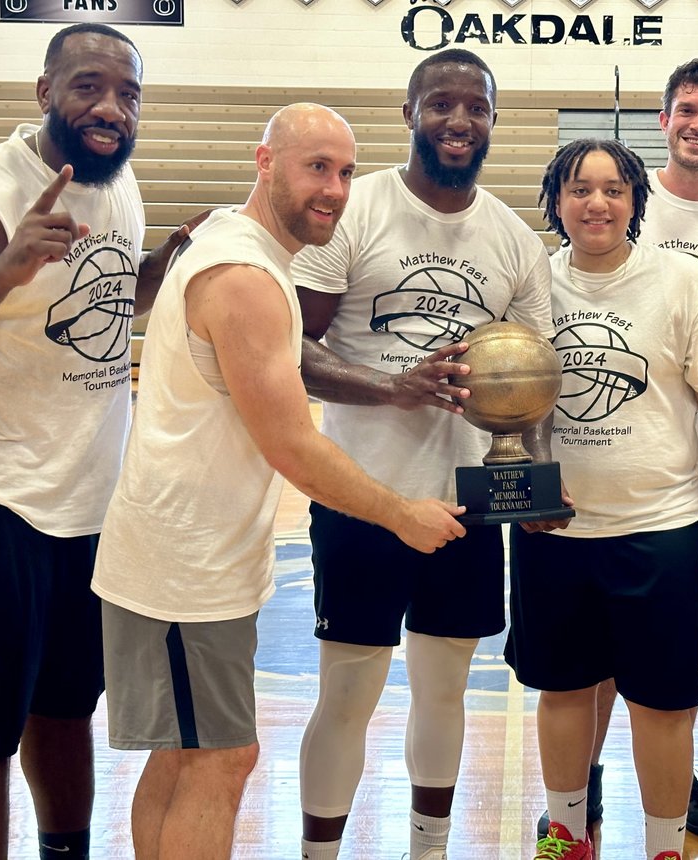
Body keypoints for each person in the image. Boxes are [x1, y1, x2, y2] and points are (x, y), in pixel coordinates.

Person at [89, 103, 466, 860]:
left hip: (180, 559)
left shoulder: (232, 243)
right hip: (183, 569)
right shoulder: (247, 277)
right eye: (315, 167)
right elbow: (293, 445)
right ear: (266, 164)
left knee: (183, 755)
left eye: (346, 171)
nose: (333, 188)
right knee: (221, 760)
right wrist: (398, 514)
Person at [0, 24, 192, 860]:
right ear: (45, 93)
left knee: (68, 705)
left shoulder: (115, 176)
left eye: (127, 93)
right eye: (88, 87)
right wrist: (3, 272)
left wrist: (166, 268)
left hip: (88, 500)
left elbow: (102, 304)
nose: (110, 107)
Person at [290, 49, 554, 860]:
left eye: (475, 107)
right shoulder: (355, 210)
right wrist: (391, 387)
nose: (458, 121)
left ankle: (428, 851)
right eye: (440, 104)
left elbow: (535, 389)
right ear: (409, 113)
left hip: (464, 504)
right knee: (348, 694)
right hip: (361, 495)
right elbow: (290, 347)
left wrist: (536, 489)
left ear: (492, 123)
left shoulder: (513, 241)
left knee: (445, 695)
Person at [509, 138, 698, 860]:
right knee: (562, 692)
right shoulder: (530, 286)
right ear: (556, 200)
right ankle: (565, 836)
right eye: (580, 188)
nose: (597, 202)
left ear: (636, 202)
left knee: (665, 704)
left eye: (614, 189)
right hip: (553, 532)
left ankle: (664, 848)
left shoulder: (680, 284)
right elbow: (504, 407)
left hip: (661, 528)